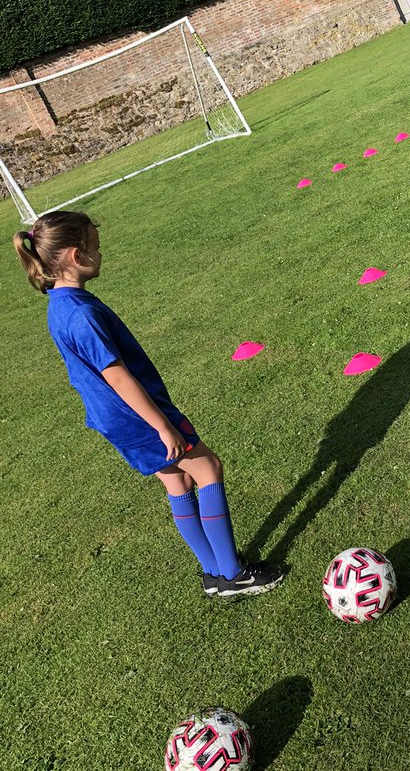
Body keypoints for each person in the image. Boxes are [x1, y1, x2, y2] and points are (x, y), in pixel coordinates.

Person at [13, 209, 284, 601]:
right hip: (137, 416)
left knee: (178, 480)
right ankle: (233, 574)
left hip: (114, 419)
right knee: (208, 468)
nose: (101, 254)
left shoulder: (60, 305)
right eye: (96, 247)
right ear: (76, 256)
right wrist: (162, 425)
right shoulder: (82, 314)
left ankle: (213, 573)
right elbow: (118, 377)